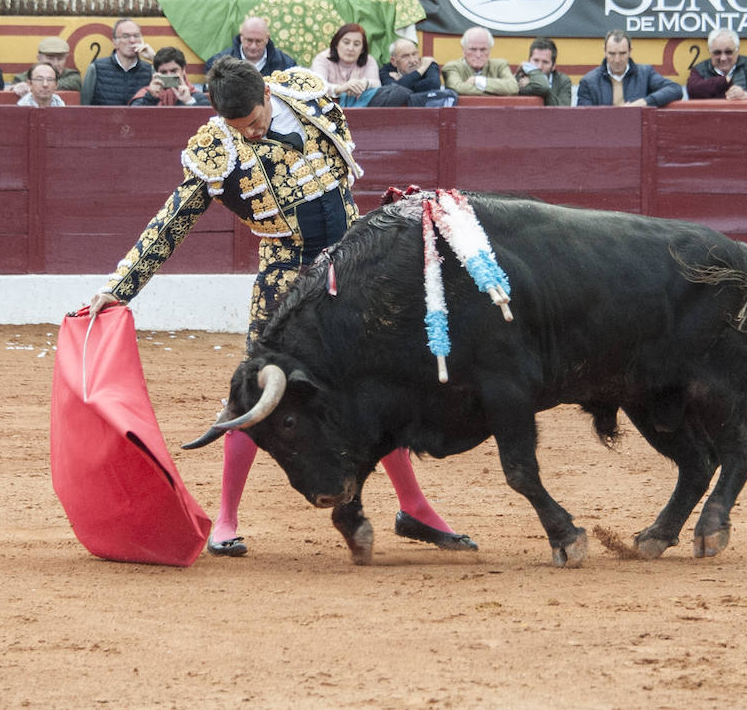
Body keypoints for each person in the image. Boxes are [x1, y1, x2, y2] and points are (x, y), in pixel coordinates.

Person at [86, 58, 475, 559]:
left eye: (255, 120)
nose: (251, 132)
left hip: (353, 264)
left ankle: (414, 507)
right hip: (286, 277)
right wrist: (122, 285)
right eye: (240, 127)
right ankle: (226, 520)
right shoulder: (218, 149)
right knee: (257, 393)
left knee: (377, 387)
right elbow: (173, 218)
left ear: (266, 94)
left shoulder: (304, 93)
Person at [577, 30, 684, 108]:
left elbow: (675, 89)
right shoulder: (588, 81)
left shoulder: (645, 73)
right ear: (604, 51)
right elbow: (585, 120)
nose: (617, 59)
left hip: (639, 134)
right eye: (612, 54)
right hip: (602, 135)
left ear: (630, 51)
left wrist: (645, 102)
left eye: (622, 53)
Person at [81, 18, 154, 105]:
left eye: (136, 36)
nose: (132, 40)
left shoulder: (150, 70)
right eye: (126, 36)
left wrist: (154, 58)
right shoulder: (96, 69)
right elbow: (85, 106)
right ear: (115, 42)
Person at [686, 27, 747, 100]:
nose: (723, 58)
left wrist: (745, 95)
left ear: (737, 50)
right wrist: (723, 81)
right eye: (717, 53)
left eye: (728, 52)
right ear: (709, 51)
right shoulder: (699, 69)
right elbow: (693, 90)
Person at [311, 22, 380, 106]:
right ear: (336, 44)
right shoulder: (322, 59)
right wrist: (342, 88)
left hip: (362, 105)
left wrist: (363, 84)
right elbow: (317, 86)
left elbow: (377, 84)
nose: (350, 48)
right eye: (346, 42)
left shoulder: (369, 60)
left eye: (356, 44)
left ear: (362, 49)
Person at [205, 15, 296, 76]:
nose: (253, 46)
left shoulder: (286, 65)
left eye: (258, 41)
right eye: (249, 40)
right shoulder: (219, 64)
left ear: (267, 38)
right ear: (241, 37)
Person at [442, 26, 517, 97]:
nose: (478, 55)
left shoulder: (500, 65)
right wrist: (499, 92)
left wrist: (478, 81)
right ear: (463, 50)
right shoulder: (452, 67)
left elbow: (513, 87)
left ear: (490, 50)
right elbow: (458, 89)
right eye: (473, 49)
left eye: (483, 50)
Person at [375, 36, 447, 107]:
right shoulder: (385, 71)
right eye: (405, 56)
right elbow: (391, 93)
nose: (412, 61)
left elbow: (434, 85)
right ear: (393, 61)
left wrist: (401, 82)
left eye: (414, 54)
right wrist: (420, 70)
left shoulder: (429, 63)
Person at [130, 45, 208, 105]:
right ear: (157, 73)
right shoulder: (145, 95)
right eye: (163, 72)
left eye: (174, 71)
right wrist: (151, 98)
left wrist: (188, 101)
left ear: (183, 70)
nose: (169, 75)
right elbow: (133, 118)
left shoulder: (198, 98)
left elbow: (206, 122)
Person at [8, 35, 81, 97]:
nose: (55, 63)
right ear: (39, 58)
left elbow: (73, 83)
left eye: (60, 58)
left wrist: (30, 86)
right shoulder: (22, 77)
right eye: (50, 58)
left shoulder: (73, 76)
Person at [515, 37, 573, 107]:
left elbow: (564, 110)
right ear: (529, 61)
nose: (539, 67)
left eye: (545, 62)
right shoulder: (520, 77)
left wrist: (539, 86)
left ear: (553, 66)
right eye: (536, 60)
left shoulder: (563, 81)